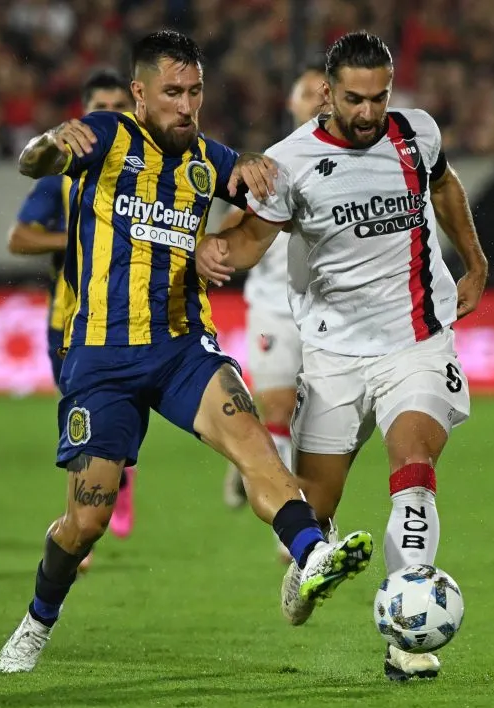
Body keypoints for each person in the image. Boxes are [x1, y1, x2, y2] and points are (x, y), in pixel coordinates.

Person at [0, 30, 373, 674]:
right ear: (140, 94)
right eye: (172, 92)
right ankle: (37, 619)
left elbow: (255, 185)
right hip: (102, 359)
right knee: (84, 523)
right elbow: (34, 164)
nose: (186, 105)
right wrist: (48, 142)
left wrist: (253, 167)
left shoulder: (204, 157)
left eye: (195, 91)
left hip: (180, 349)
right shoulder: (107, 136)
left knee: (253, 440)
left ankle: (310, 556)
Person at [196, 31, 488, 681]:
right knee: (314, 507)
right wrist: (209, 252)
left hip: (416, 340)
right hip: (331, 357)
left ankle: (408, 634)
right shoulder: (290, 161)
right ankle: (308, 562)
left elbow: (445, 188)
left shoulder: (415, 134)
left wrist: (476, 261)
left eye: (378, 97)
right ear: (327, 94)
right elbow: (247, 241)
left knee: (414, 461)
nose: (367, 112)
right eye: (354, 99)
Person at [8, 70, 134, 570]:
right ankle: (96, 503)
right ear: (84, 114)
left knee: (112, 420)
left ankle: (115, 483)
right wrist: (80, 238)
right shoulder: (63, 176)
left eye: (118, 104)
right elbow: (18, 239)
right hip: (71, 321)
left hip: (130, 319)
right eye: (99, 104)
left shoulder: (150, 170)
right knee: (84, 422)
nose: (109, 112)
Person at [217, 64, 329, 561]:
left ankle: (253, 463)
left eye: (324, 92)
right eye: (307, 93)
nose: (318, 100)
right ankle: (294, 521)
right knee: (280, 408)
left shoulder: (349, 161)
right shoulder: (274, 164)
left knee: (318, 422)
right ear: (291, 106)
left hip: (328, 308)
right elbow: (232, 223)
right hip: (272, 307)